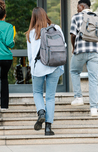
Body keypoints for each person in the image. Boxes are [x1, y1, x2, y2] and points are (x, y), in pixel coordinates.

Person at [26, 7, 65, 136]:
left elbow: (30, 55)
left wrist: (32, 68)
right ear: (45, 15)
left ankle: (41, 112)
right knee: (50, 97)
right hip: (54, 65)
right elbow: (62, 47)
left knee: (37, 92)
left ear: (34, 18)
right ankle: (48, 128)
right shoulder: (57, 28)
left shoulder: (31, 33)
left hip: (38, 66)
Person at [70, 0, 98, 117]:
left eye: (77, 7)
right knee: (93, 79)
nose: (77, 9)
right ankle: (94, 108)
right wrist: (96, 44)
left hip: (80, 50)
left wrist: (74, 47)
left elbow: (73, 34)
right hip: (95, 52)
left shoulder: (76, 17)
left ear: (82, 6)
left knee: (74, 71)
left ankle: (78, 97)